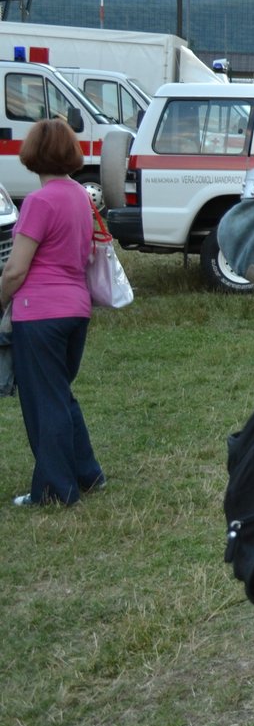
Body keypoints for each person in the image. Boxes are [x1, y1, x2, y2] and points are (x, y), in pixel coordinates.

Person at [1, 120, 105, 506]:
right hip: (76, 309)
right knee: (59, 395)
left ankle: (54, 490)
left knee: (44, 403)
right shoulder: (80, 195)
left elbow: (16, 269)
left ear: (32, 155)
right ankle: (87, 473)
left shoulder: (38, 203)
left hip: (39, 313)